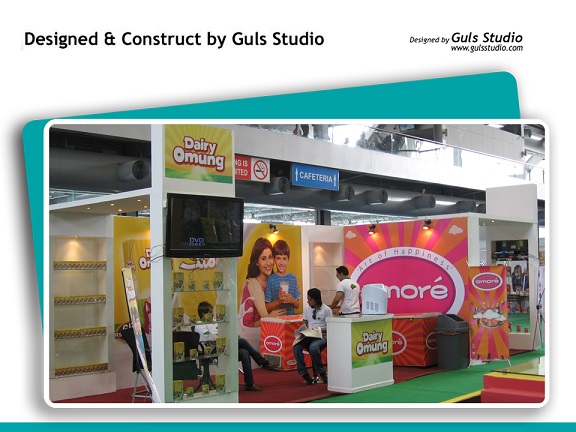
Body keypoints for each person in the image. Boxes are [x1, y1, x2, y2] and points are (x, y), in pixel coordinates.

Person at [240, 237, 286, 327]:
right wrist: (269, 319)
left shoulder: (277, 282)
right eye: (263, 259)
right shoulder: (251, 287)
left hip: (279, 331)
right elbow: (247, 324)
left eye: (270, 257)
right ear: (257, 262)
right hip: (258, 334)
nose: (268, 263)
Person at [293, 288, 332, 385]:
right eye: (308, 299)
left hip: (322, 336)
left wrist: (318, 330)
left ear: (316, 299)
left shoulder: (326, 310)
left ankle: (322, 372)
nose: (308, 301)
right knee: (296, 346)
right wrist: (302, 332)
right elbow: (304, 323)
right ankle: (304, 373)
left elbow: (331, 328)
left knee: (313, 347)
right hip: (310, 335)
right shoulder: (307, 309)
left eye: (310, 299)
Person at [265, 239, 301, 315]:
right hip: (276, 320)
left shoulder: (293, 279)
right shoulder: (271, 280)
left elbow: (297, 305)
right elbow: (267, 307)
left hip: (290, 320)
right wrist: (278, 301)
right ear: (274, 259)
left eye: (284, 258)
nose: (281, 262)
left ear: (288, 260)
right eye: (278, 258)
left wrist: (292, 300)